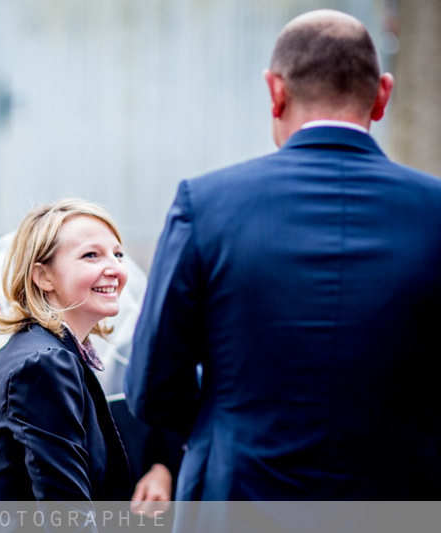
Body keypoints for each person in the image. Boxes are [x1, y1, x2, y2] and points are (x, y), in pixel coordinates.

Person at [126, 8, 441, 503]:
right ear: (382, 95)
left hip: (239, 496)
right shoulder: (434, 210)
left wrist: (231, 429)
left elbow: (151, 386)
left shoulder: (206, 205)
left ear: (275, 91)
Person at [0, 199, 134, 502]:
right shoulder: (44, 363)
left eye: (118, 254)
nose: (115, 268)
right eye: (91, 255)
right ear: (43, 276)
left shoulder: (43, 349)